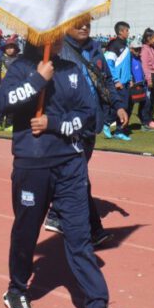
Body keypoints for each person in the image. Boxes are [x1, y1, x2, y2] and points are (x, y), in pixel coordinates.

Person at [0, 37, 125, 308]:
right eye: (49, 34)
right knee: (26, 232)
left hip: (70, 164)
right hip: (32, 164)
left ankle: (97, 305)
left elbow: (88, 114)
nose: (55, 39)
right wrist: (37, 81)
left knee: (79, 235)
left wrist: (53, 124)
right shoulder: (20, 68)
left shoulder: (71, 69)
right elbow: (3, 103)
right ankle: (17, 288)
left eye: (58, 33)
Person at [44, 20, 128, 245]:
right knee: (79, 176)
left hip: (92, 121)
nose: (84, 28)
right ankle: (92, 229)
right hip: (69, 123)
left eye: (87, 24)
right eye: (79, 24)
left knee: (76, 176)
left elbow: (106, 80)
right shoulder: (59, 50)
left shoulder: (95, 50)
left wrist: (118, 106)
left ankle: (56, 213)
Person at [104, 21, 132, 141]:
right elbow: (109, 64)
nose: (128, 33)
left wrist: (130, 78)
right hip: (118, 82)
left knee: (124, 106)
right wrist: (116, 80)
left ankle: (117, 129)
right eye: (127, 30)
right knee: (121, 106)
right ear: (120, 32)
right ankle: (108, 123)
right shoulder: (114, 45)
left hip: (125, 81)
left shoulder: (125, 44)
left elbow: (126, 64)